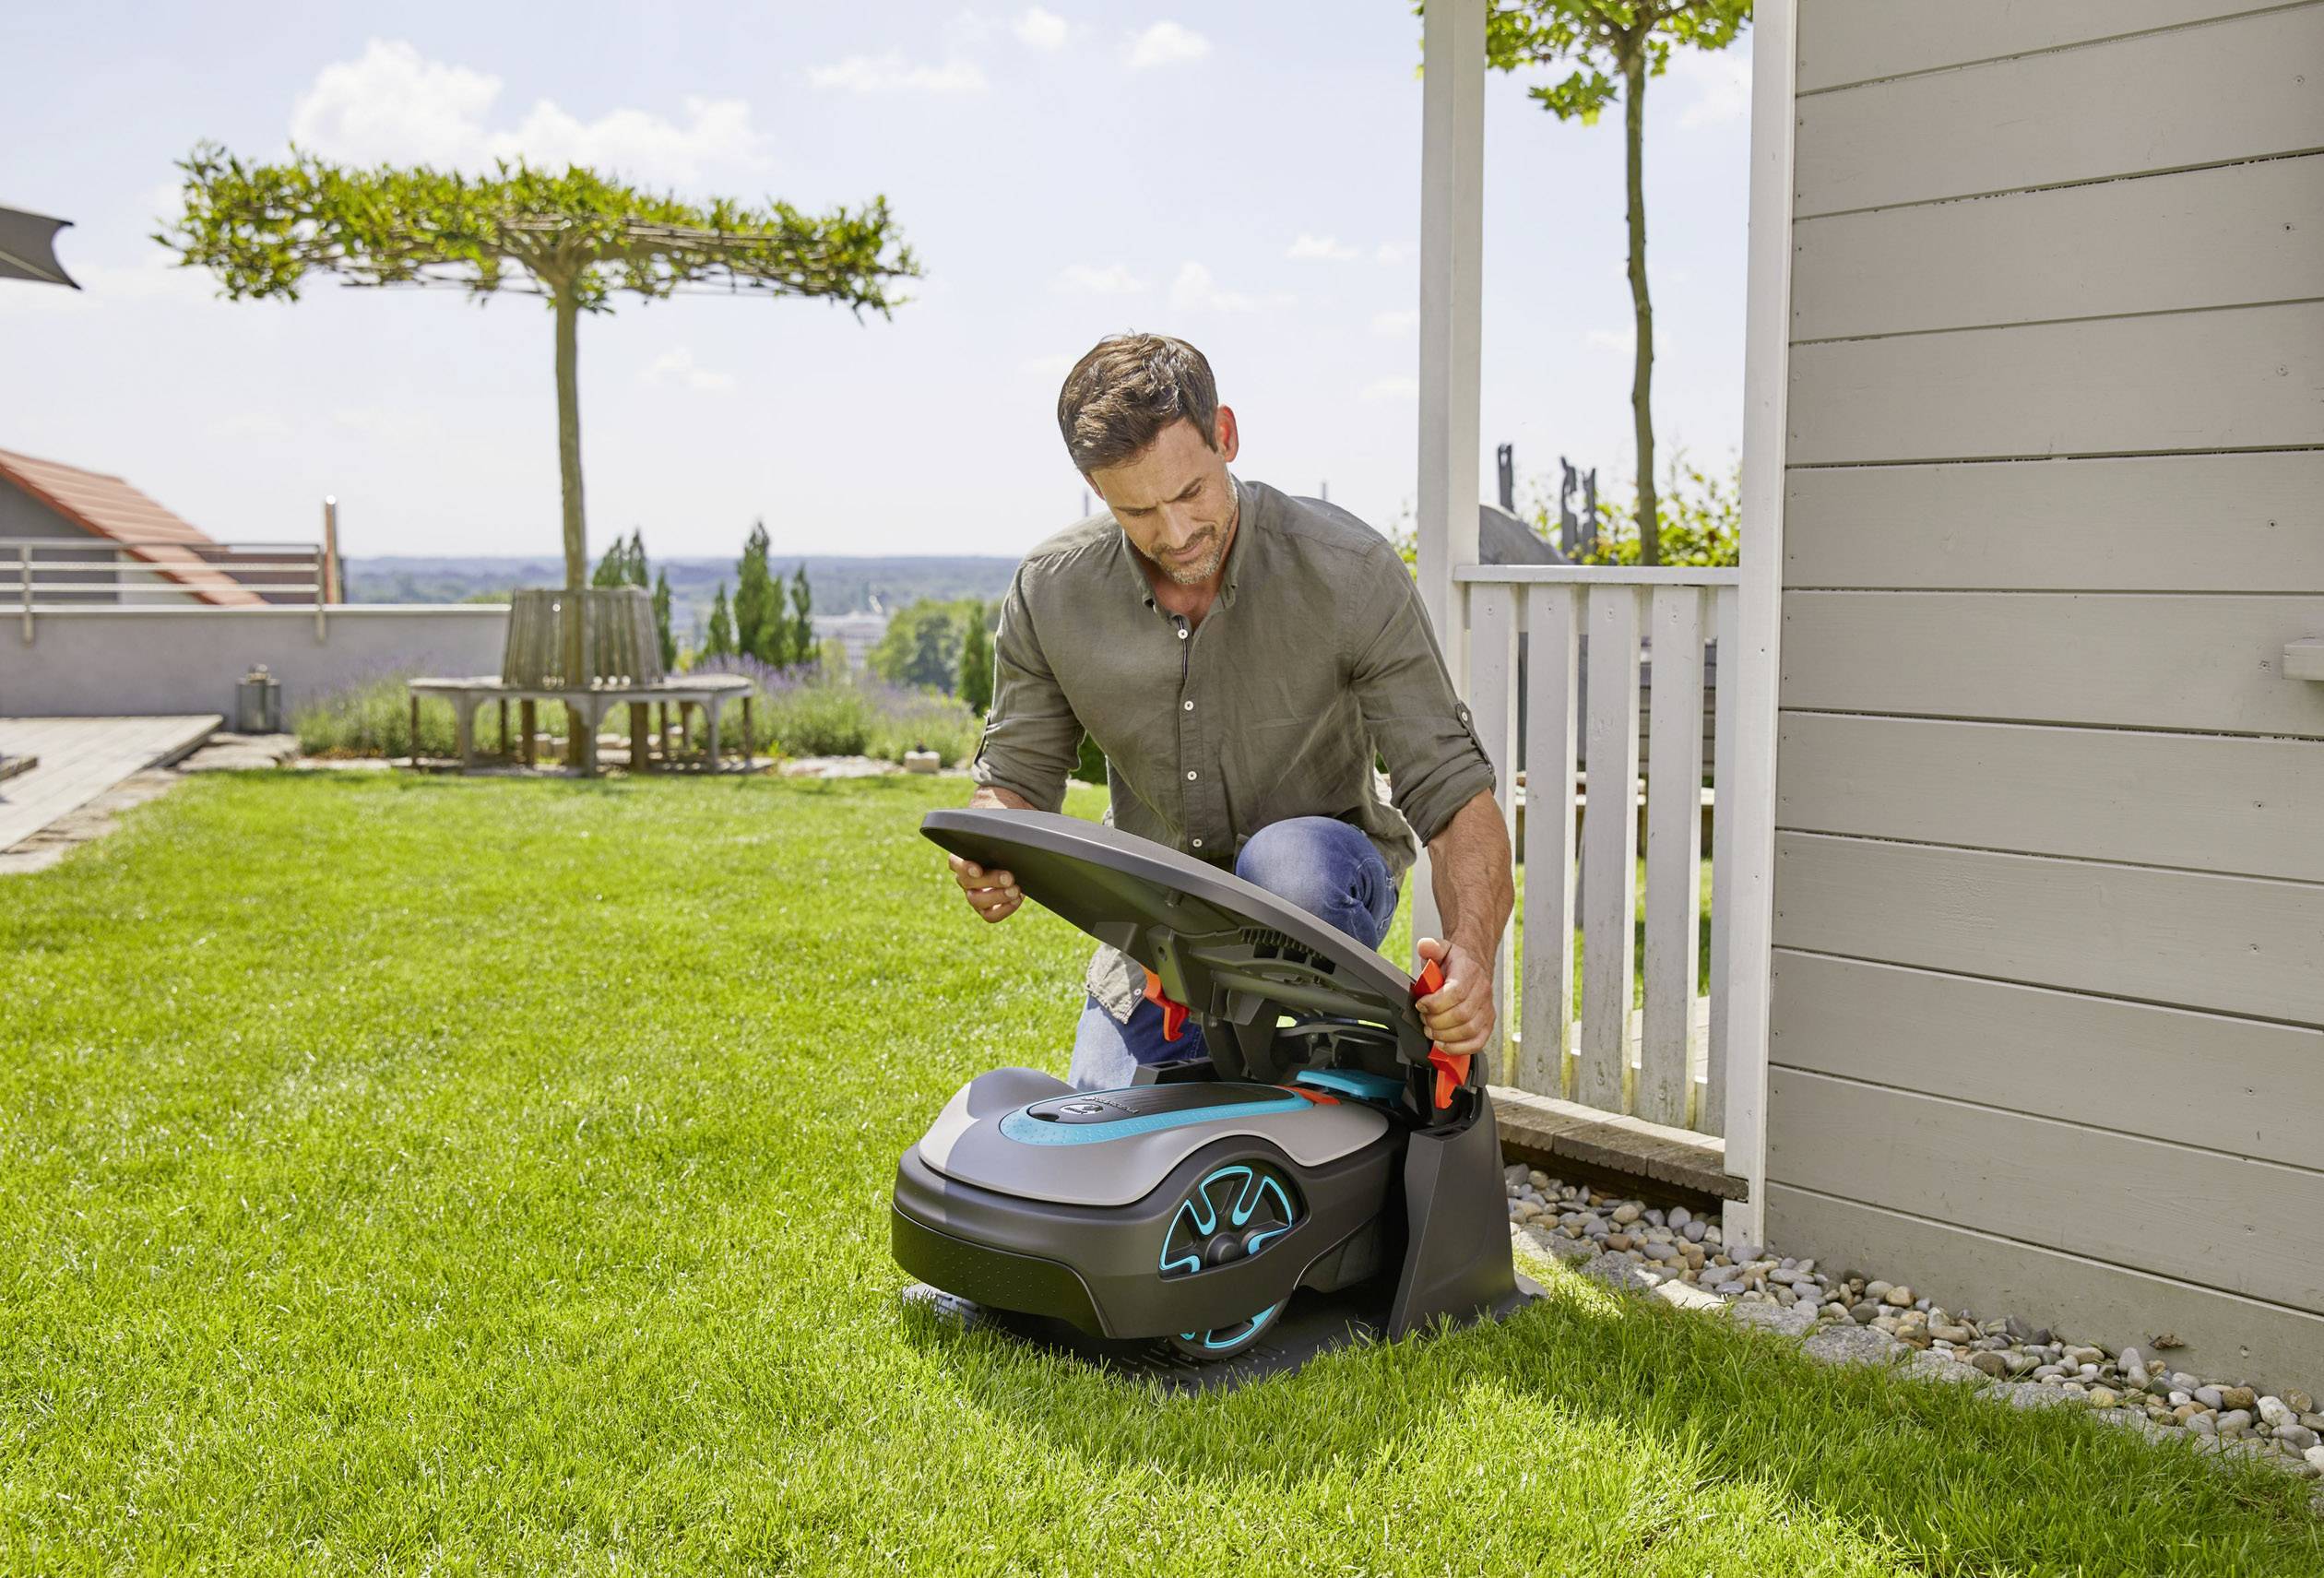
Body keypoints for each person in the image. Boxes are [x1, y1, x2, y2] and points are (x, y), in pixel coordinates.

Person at [947, 331, 1514, 1092]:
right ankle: (1214, 1064)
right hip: (1159, 933)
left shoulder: (1349, 572)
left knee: (1287, 868)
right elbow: (1014, 782)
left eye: (1189, 494)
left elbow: (1453, 795)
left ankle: (1321, 1049)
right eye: (1138, 511)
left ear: (1226, 436)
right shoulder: (1053, 591)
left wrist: (1472, 953)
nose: (1175, 535)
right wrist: (989, 842)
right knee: (1102, 1140)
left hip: (1322, 884)